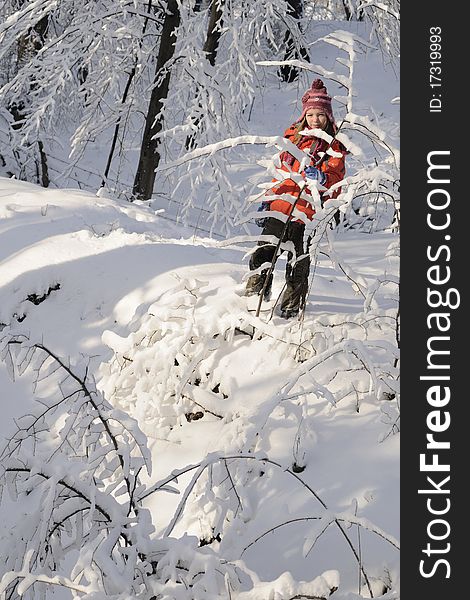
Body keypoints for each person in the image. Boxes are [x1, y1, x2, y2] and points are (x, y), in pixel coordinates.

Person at [245, 78, 347, 319]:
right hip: (280, 209)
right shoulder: (292, 140)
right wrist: (269, 199)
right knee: (262, 255)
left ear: (328, 118)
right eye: (311, 115)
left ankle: (291, 309)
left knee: (298, 264)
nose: (315, 120)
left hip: (308, 215)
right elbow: (279, 172)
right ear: (304, 116)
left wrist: (321, 177)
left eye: (320, 115)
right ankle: (254, 300)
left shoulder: (334, 147)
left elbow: (337, 178)